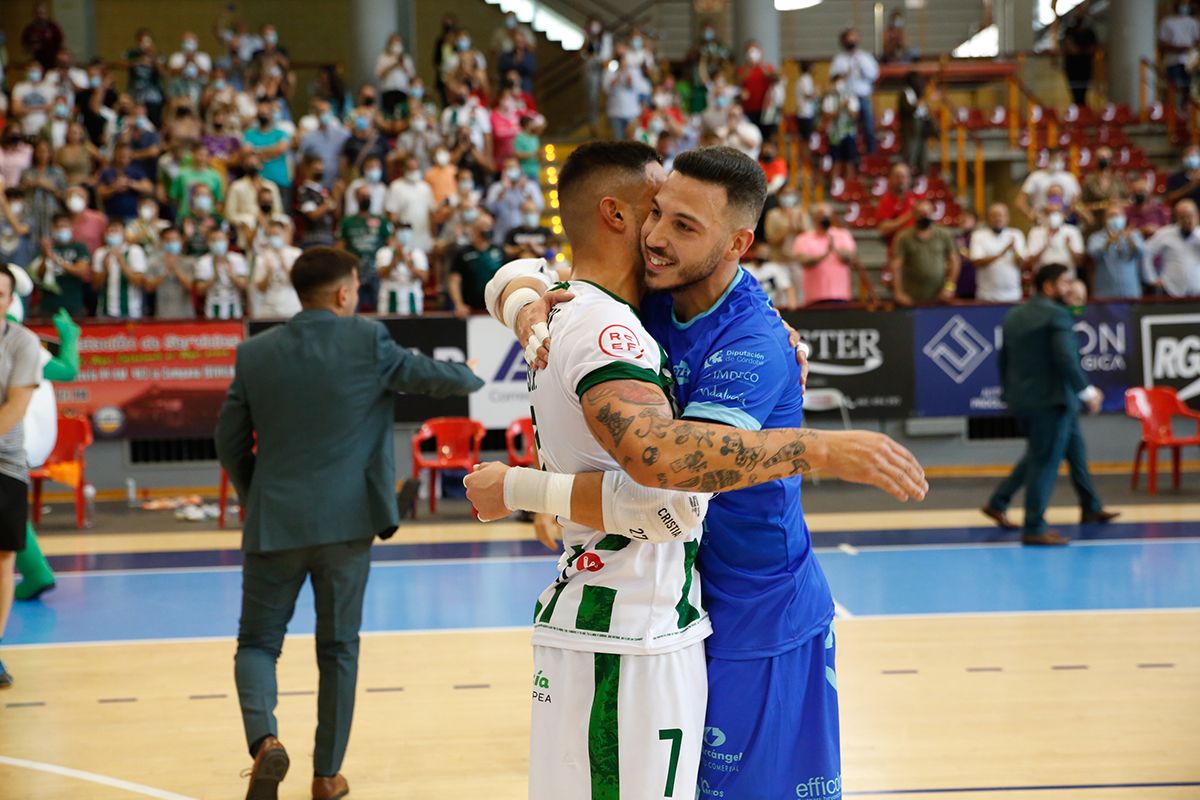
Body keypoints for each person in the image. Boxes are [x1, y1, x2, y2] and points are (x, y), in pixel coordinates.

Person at [471, 143, 927, 798]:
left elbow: (675, 483)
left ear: (738, 243)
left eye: (684, 227)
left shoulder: (753, 341)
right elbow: (527, 268)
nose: (656, 237)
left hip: (758, 608)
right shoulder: (652, 296)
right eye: (656, 213)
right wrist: (522, 297)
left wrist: (818, 448)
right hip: (679, 602)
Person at [216, 246, 483, 800]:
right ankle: (325, 775)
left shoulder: (254, 353)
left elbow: (228, 442)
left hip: (274, 523)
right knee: (338, 648)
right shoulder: (366, 340)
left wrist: (256, 493)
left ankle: (265, 743)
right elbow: (437, 379)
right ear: (344, 293)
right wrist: (468, 374)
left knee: (257, 644)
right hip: (347, 526)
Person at [983, 263, 1115, 546]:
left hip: (1025, 401)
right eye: (1065, 282)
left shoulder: (1014, 315)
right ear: (1049, 287)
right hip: (1053, 402)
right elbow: (1066, 358)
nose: (1069, 288)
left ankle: (1090, 507)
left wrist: (1009, 395)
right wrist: (1088, 392)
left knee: (1070, 450)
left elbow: (1003, 360)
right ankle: (1034, 526)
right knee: (1044, 461)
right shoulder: (1057, 315)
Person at [0, 263, 41, 689]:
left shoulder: (22, 343)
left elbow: (15, 407)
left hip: (5, 464)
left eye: (0, 293)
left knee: (3, 559)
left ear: (10, 301)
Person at [794, 202, 873, 305]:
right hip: (814, 297)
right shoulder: (803, 238)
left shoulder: (842, 235)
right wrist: (824, 255)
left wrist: (834, 247)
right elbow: (804, 261)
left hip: (840, 295)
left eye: (827, 215)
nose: (824, 218)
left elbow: (850, 257)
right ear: (814, 217)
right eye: (821, 214)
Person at [888, 200, 960, 305]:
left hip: (939, 296)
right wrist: (898, 292)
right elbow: (896, 266)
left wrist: (949, 287)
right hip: (911, 297)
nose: (923, 216)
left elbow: (955, 261)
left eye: (926, 213)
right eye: (920, 214)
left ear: (932, 214)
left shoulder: (944, 234)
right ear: (914, 215)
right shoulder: (903, 237)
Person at [338, 187, 391, 312]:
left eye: (368, 195)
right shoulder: (347, 221)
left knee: (380, 306)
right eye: (363, 195)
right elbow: (340, 247)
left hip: (376, 269)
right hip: (355, 269)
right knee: (353, 306)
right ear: (356, 198)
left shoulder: (381, 220)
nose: (366, 198)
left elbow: (390, 243)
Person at [829, 28, 879, 155]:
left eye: (853, 38)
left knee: (869, 127)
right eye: (848, 39)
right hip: (846, 99)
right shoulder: (839, 59)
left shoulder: (865, 57)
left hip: (863, 96)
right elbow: (833, 77)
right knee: (849, 130)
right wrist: (845, 73)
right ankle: (852, 156)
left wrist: (861, 68)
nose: (851, 41)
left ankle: (871, 154)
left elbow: (874, 74)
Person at [35, 212, 91, 317]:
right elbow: (38, 276)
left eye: (64, 226)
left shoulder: (79, 247)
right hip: (49, 306)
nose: (61, 229)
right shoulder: (47, 248)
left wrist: (56, 260)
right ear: (53, 229)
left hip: (73, 305)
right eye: (58, 227)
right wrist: (44, 256)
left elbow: (82, 272)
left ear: (71, 227)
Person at [969, 203, 1026, 303]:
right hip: (986, 296)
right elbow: (977, 262)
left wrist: (1015, 251)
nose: (998, 219)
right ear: (988, 218)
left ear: (1007, 218)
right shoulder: (978, 235)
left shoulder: (1016, 234)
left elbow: (1022, 264)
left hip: (1013, 295)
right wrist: (1002, 253)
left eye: (1001, 215)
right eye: (994, 215)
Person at [449, 215, 503, 318]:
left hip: (496, 309)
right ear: (474, 230)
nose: (487, 229)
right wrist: (459, 305)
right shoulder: (463, 253)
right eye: (484, 226)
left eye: (490, 226)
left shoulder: (499, 251)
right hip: (470, 310)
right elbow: (454, 281)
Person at [1087, 202, 1146, 299]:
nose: (1115, 218)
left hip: (1130, 292)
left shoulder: (1134, 234)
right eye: (1111, 216)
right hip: (1105, 293)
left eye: (1117, 215)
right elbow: (1093, 254)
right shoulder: (1096, 237)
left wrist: (1130, 240)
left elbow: (1141, 253)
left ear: (1124, 217)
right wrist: (1108, 242)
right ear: (1105, 220)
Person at [92, 218, 148, 318]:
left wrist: (123, 265)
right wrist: (104, 269)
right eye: (110, 231)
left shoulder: (135, 251)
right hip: (105, 312)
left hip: (131, 312)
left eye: (116, 231)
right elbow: (95, 286)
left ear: (124, 233)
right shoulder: (100, 253)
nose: (112, 234)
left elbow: (139, 283)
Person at [1144, 199, 1200, 297]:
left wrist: (1194, 234)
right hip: (1171, 290)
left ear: (1197, 215)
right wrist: (1152, 278)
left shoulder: (1198, 235)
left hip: (1197, 290)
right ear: (1176, 217)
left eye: (1190, 215)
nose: (1187, 220)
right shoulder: (1165, 233)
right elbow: (1146, 253)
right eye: (1183, 217)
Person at [485, 157, 544, 245]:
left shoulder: (530, 186)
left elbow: (539, 206)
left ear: (519, 169)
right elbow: (490, 209)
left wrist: (524, 189)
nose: (511, 170)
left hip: (524, 234)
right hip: (502, 233)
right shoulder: (496, 187)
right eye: (508, 168)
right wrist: (503, 191)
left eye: (513, 167)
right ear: (504, 171)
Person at [251, 219, 303, 319]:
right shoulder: (262, 257)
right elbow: (260, 289)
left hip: (292, 309)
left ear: (285, 234)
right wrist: (269, 274)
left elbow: (299, 283)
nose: (274, 237)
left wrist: (284, 264)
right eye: (270, 235)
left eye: (277, 234)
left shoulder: (296, 254)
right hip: (270, 310)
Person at [194, 228, 249, 319]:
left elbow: (244, 286)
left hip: (234, 308)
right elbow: (200, 291)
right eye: (214, 240)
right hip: (212, 309)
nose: (217, 243)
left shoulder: (238, 259)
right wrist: (214, 276)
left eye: (220, 239)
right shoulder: (202, 262)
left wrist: (231, 275)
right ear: (208, 242)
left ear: (227, 241)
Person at [1016, 148, 1082, 223]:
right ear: (1047, 159)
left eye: (1059, 158)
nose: (1056, 161)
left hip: (1065, 221)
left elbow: (1077, 201)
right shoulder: (1035, 176)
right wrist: (1030, 214)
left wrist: (1067, 214)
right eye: (1053, 159)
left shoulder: (1070, 178)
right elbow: (1020, 201)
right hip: (1041, 221)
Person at [1025, 196, 1086, 277]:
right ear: (1044, 214)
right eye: (1049, 212)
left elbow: (1080, 263)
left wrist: (1069, 246)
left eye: (1057, 212)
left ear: (1063, 214)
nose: (1053, 216)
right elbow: (1029, 263)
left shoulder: (1073, 231)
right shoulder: (1035, 232)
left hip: (1067, 277)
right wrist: (1045, 246)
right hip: (1043, 277)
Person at [375, 224, 428, 316]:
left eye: (406, 231)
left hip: (412, 301)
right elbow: (381, 275)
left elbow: (424, 277)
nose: (404, 235)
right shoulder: (384, 252)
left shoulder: (418, 253)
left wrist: (410, 265)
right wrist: (394, 260)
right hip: (389, 300)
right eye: (401, 231)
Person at [144, 226, 195, 319]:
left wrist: (175, 269)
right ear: (162, 242)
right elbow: (148, 287)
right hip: (162, 314)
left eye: (175, 240)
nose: (172, 243)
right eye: (168, 240)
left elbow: (191, 286)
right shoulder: (154, 262)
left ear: (181, 241)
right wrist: (165, 273)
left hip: (186, 315)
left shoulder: (189, 262)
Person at [97, 141, 153, 222]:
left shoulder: (136, 171)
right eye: (120, 154)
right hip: (111, 216)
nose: (123, 156)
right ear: (115, 154)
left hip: (132, 216)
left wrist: (129, 183)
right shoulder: (107, 171)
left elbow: (149, 188)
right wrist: (114, 188)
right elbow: (100, 193)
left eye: (125, 154)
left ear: (130, 155)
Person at [1160, 0, 1200, 110]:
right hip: (1172, 61)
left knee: (1188, 89)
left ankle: (1185, 111)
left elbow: (1197, 40)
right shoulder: (1167, 22)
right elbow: (1163, 43)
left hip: (1189, 62)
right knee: (1174, 88)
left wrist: (1191, 49)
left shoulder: (1193, 22)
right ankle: (1173, 112)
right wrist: (1179, 48)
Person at [1078, 147, 1129, 234]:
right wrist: (1090, 211)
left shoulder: (1118, 180)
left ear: (1111, 160)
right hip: (1095, 223)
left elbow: (1128, 201)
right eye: (1100, 158)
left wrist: (1117, 202)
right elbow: (1081, 205)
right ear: (1095, 160)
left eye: (1106, 158)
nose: (1104, 161)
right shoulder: (1089, 181)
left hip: (1115, 222)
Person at [899, 71, 933, 176]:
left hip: (921, 129)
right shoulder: (905, 93)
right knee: (910, 156)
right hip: (910, 129)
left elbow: (925, 111)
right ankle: (908, 181)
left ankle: (923, 179)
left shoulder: (919, 94)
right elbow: (907, 109)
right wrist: (918, 103)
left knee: (923, 155)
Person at [1060, 13, 1098, 107]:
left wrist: (1082, 51)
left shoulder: (1089, 31)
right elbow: (1068, 46)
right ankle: (1077, 108)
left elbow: (1093, 47)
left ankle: (1082, 109)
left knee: (1083, 89)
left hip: (1085, 66)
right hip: (1072, 66)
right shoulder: (1069, 30)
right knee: (1075, 89)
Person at [877, 162, 917, 251]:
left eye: (904, 177)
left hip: (916, 249)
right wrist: (910, 215)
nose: (901, 180)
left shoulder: (917, 199)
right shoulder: (885, 201)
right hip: (897, 250)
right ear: (891, 178)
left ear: (909, 179)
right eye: (897, 176)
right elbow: (883, 229)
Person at [21, 2, 64, 71]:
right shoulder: (29, 29)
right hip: (36, 62)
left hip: (52, 61)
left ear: (46, 13)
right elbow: (24, 47)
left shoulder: (53, 27)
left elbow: (61, 42)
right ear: (34, 13)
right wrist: (32, 48)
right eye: (38, 13)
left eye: (42, 13)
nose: (40, 15)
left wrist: (60, 57)